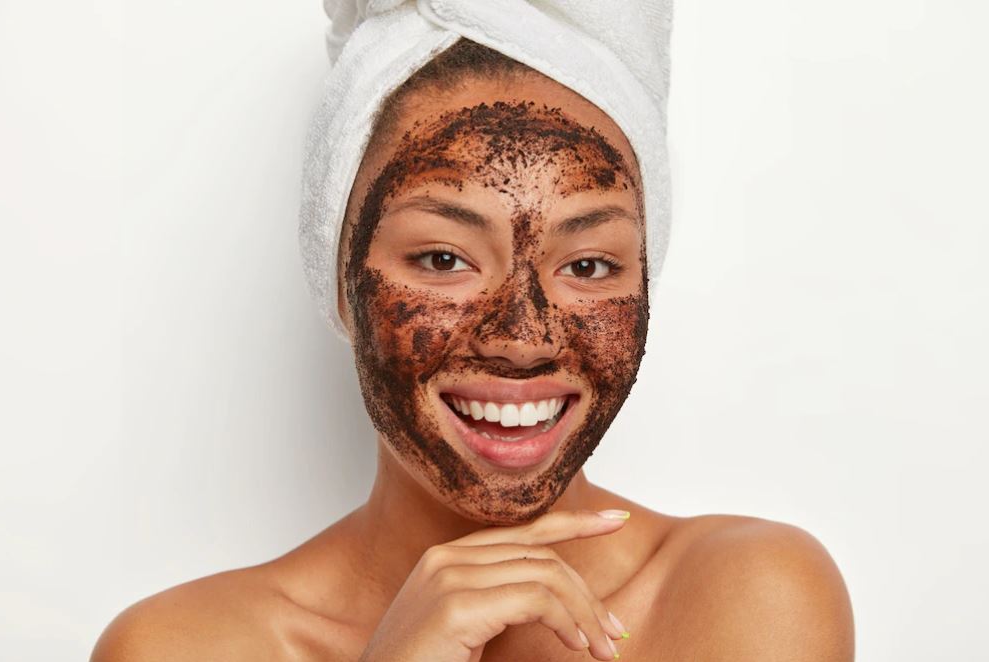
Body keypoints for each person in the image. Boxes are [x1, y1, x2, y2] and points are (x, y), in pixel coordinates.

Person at [91, 37, 854, 662]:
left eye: (587, 265)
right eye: (443, 259)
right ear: (340, 282)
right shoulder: (178, 648)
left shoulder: (746, 597)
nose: (522, 340)